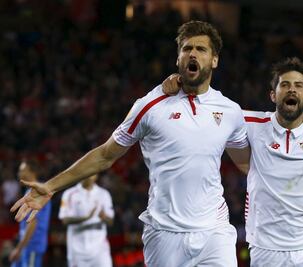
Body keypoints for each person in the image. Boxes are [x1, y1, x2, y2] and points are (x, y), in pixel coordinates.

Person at [11, 20, 249, 267]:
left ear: (214, 60)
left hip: (215, 231)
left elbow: (246, 163)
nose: (193, 53)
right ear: (178, 58)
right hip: (165, 233)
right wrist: (50, 187)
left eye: (201, 49)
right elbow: (105, 155)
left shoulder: (230, 111)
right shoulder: (150, 106)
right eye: (187, 48)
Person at [162, 54, 303, 266]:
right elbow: (204, 108)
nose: (292, 90)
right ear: (273, 95)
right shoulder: (249, 123)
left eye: (298, 86)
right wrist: (179, 84)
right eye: (285, 85)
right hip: (267, 249)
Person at [58, 174, 114, 267]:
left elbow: (111, 221)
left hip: (99, 249)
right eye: (86, 172)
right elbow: (64, 220)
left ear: (96, 176)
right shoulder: (69, 194)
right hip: (77, 249)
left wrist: (104, 217)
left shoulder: (104, 194)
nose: (89, 175)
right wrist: (85, 218)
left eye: (93, 173)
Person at [9, 160, 51, 267]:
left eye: (22, 170)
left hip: (32, 246)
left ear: (33, 172)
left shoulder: (39, 192)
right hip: (26, 245)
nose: (19, 173)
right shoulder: (29, 191)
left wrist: (18, 249)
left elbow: (33, 223)